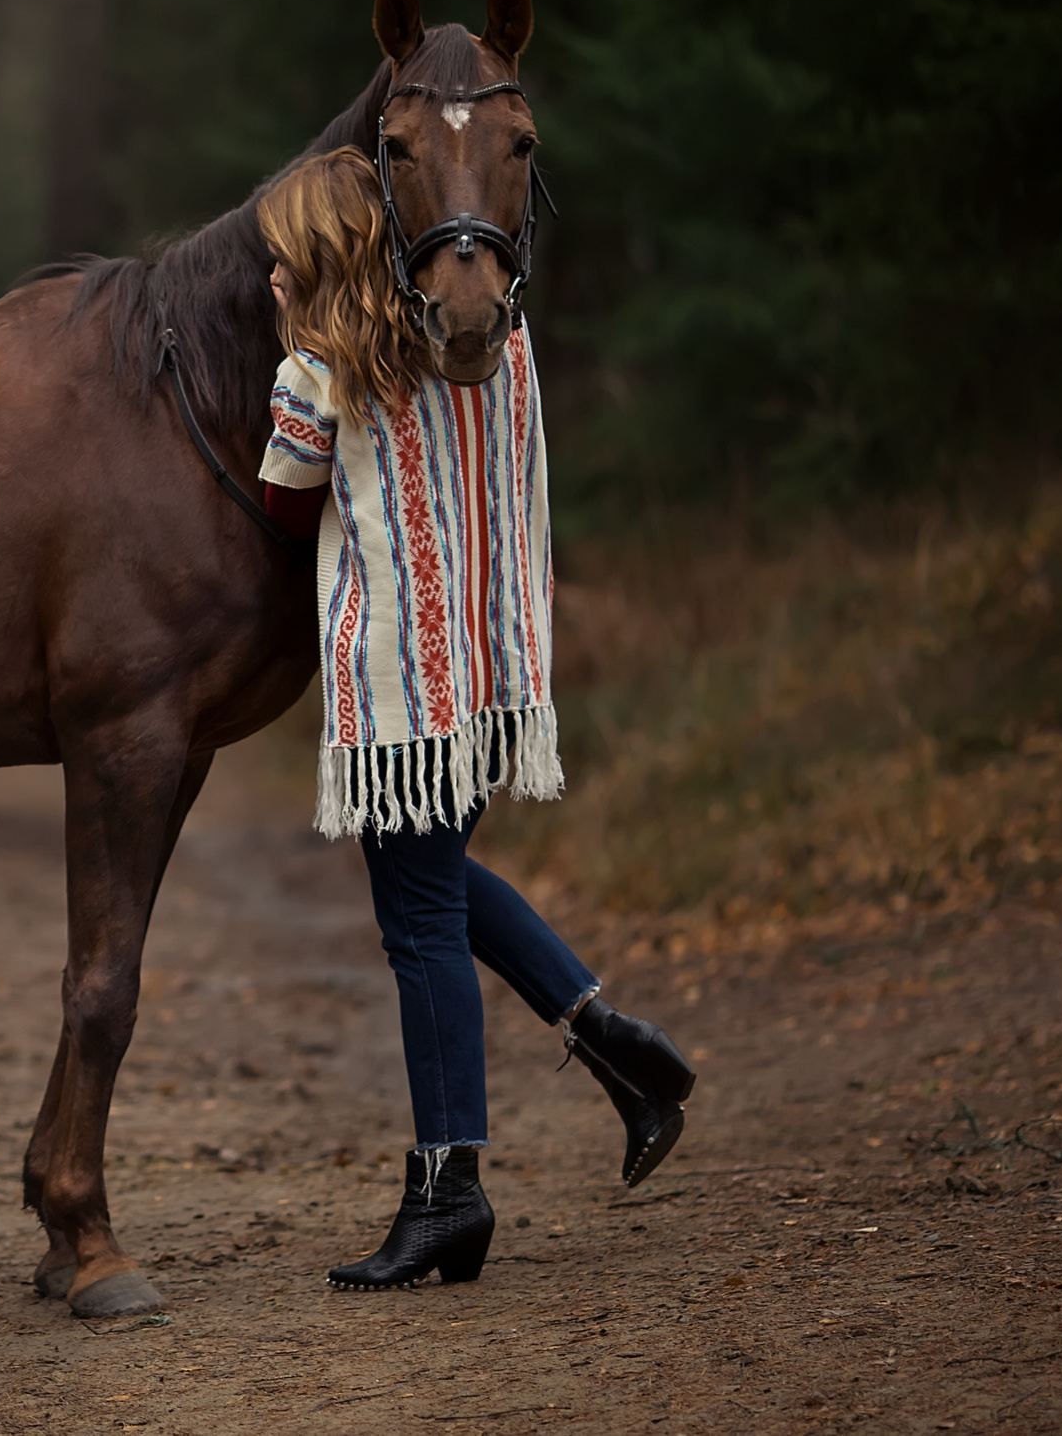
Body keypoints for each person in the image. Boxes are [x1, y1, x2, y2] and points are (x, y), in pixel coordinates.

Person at [253, 148, 697, 1291]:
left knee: (418, 930)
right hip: (489, 676)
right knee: (437, 889)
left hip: (401, 692)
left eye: (279, 258)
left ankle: (450, 1188)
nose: (268, 273)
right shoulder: (495, 343)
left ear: (311, 263)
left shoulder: (319, 373)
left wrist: (297, 332)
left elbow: (278, 507)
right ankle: (613, 1043)